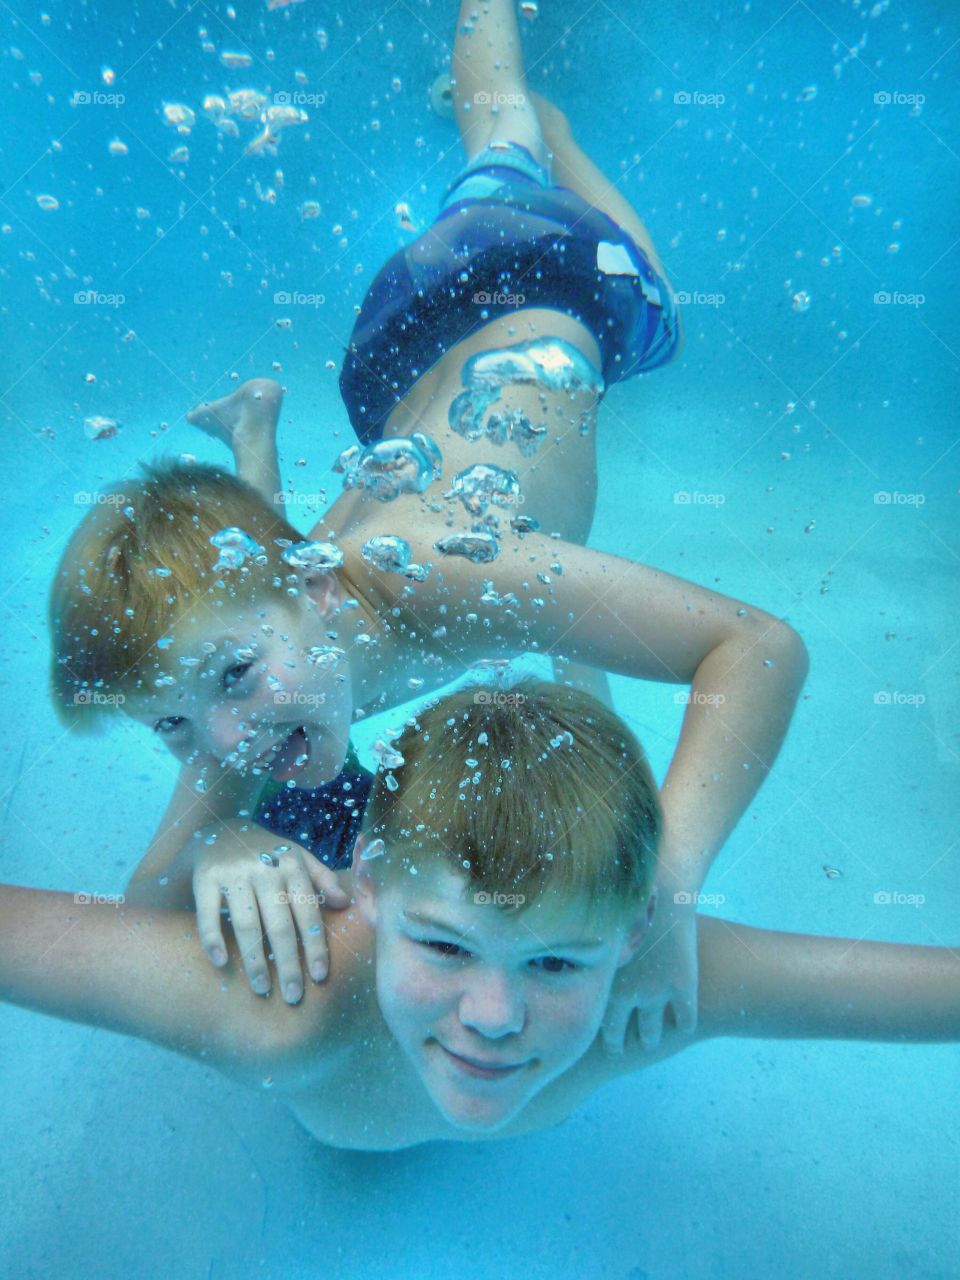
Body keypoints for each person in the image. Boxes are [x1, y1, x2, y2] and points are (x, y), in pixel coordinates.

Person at [47, 0, 811, 1048]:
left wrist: (662, 890)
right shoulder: (257, 689)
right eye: (172, 725)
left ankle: (536, 90)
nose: (221, 744)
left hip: (548, 276)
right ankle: (255, 432)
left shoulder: (452, 570)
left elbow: (759, 645)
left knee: (560, 185)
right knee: (276, 584)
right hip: (402, 348)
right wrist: (222, 843)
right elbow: (146, 905)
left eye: (222, 685)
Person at [3, 682, 957, 1151]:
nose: (494, 1017)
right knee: (262, 769)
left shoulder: (657, 985)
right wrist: (219, 841)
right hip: (318, 836)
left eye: (555, 965)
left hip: (414, 856)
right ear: (369, 898)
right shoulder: (286, 1000)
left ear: (636, 933)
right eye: (446, 948)